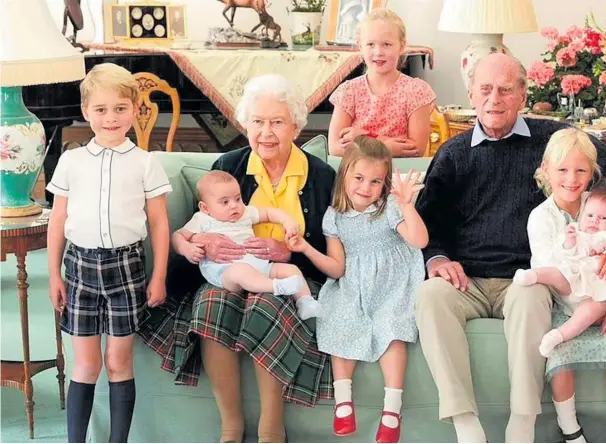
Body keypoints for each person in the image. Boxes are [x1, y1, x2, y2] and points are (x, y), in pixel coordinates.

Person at [414, 53, 606, 443]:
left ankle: (522, 422)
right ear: (472, 95)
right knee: (429, 296)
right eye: (486, 90)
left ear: (523, 94)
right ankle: (465, 424)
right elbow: (428, 219)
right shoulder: (454, 153)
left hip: (524, 277)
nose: (495, 99)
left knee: (530, 299)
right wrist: (437, 257)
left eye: (506, 90)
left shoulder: (550, 140)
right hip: (465, 279)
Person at [139, 74, 336, 443]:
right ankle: (231, 425)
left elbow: (330, 244)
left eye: (277, 122)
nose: (266, 132)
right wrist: (204, 240)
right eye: (258, 122)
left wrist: (289, 250)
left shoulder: (320, 175)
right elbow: (194, 225)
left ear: (295, 125)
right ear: (246, 124)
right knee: (212, 304)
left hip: (288, 273)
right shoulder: (230, 164)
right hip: (225, 272)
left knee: (267, 305)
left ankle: (271, 427)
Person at [46, 63, 172, 443]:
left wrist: (159, 275)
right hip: (79, 270)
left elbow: (159, 225)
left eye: (120, 108)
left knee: (118, 361)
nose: (111, 117)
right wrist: (54, 274)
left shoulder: (146, 163)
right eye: (101, 110)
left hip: (127, 269)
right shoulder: (71, 161)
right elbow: (58, 221)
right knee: (85, 364)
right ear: (86, 113)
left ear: (135, 110)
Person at [287, 136, 427, 443]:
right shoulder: (333, 217)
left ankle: (392, 411)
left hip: (394, 283)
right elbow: (337, 268)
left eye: (375, 181)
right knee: (339, 319)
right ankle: (343, 403)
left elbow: (419, 241)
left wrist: (406, 205)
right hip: (354, 282)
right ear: (345, 175)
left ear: (385, 183)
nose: (366, 188)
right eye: (359, 178)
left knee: (392, 329)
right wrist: (307, 249)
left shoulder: (388, 207)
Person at [523, 128, 606, 443]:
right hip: (566, 302)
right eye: (562, 170)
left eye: (581, 170)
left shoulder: (598, 203)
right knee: (558, 355)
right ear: (546, 171)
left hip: (604, 298)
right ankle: (570, 429)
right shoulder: (541, 218)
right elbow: (553, 269)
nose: (572, 178)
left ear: (592, 173)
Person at [172, 170, 321, 320]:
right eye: (225, 202)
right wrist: (187, 248)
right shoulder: (202, 219)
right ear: (205, 208)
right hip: (225, 271)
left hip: (258, 264)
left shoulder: (245, 213)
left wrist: (287, 221)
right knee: (241, 271)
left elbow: (269, 213)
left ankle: (306, 302)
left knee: (290, 269)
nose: (234, 206)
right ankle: (276, 286)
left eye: (238, 198)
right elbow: (177, 236)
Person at [515, 174, 606, 358]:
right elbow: (563, 254)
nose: (595, 221)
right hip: (571, 280)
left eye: (603, 218)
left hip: (595, 290)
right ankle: (532, 276)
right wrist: (569, 242)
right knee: (556, 273)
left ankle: (558, 336)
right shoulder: (576, 231)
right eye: (590, 215)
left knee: (595, 308)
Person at [328, 8, 436, 157]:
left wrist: (364, 137)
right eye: (371, 44)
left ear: (402, 46)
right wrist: (387, 147)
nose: (378, 52)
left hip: (400, 176)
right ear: (360, 46)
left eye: (386, 44)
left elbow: (416, 149)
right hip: (359, 177)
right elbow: (334, 147)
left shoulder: (416, 91)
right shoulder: (349, 91)